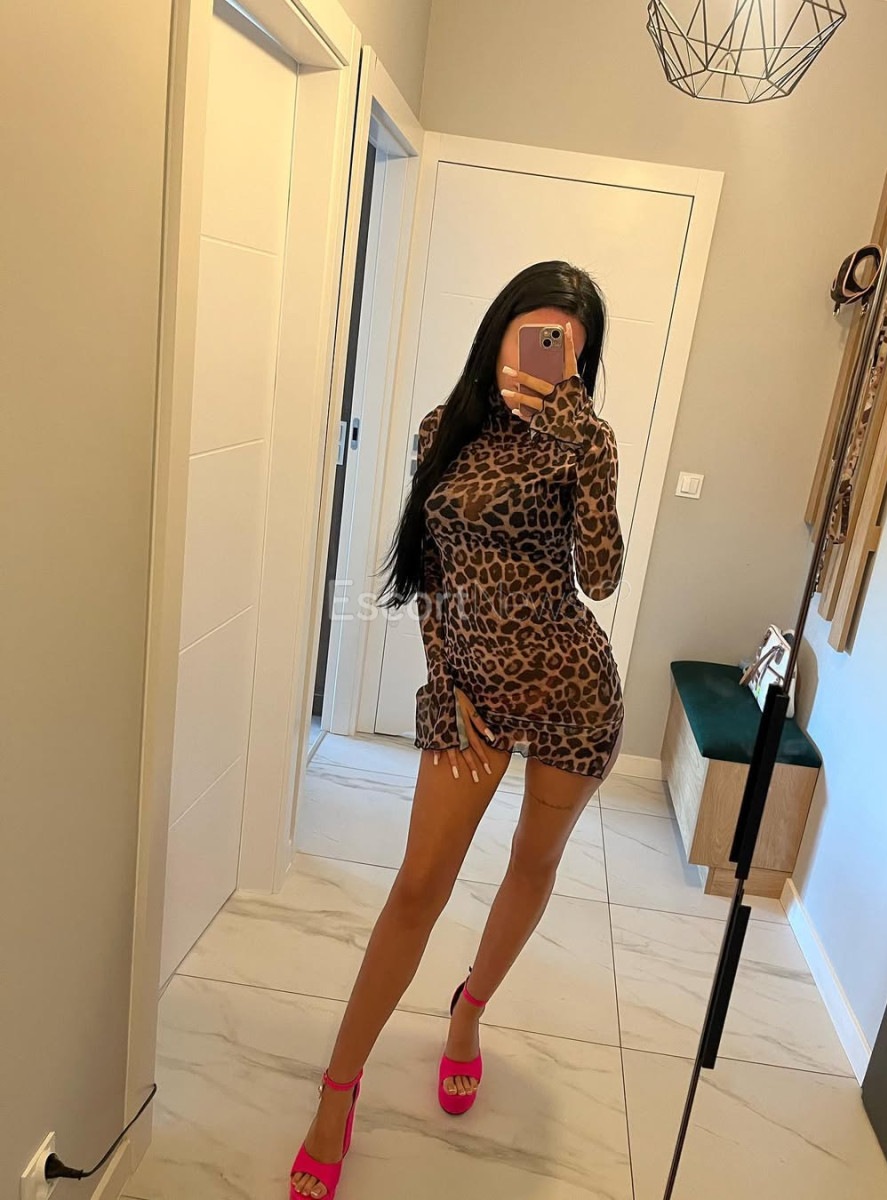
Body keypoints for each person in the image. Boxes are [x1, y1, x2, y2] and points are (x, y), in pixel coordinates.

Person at [290, 261, 625, 1199]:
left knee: (532, 864)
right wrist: (447, 685)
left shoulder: (582, 445)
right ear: (500, 331)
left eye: (570, 349)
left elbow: (600, 579)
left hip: (573, 694)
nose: (549, 358)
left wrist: (589, 445)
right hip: (473, 697)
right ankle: (338, 1087)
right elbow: (432, 574)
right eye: (537, 335)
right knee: (417, 887)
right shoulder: (443, 431)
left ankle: (469, 1010)